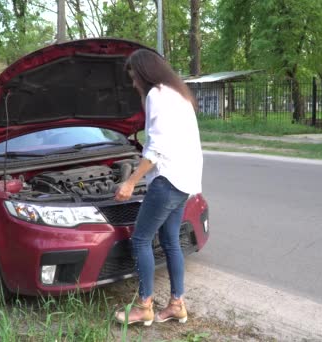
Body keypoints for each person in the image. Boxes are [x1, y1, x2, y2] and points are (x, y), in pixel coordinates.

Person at [113, 49, 203, 326]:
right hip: (185, 180)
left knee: (140, 239)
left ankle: (144, 307)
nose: (133, 83)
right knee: (170, 240)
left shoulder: (157, 95)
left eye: (133, 77)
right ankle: (176, 304)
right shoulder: (178, 93)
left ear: (143, 73)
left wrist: (130, 182)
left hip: (167, 180)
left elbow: (156, 148)